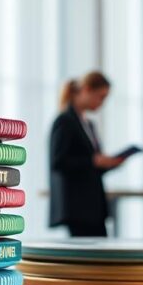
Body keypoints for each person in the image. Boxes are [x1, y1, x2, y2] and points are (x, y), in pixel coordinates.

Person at [49, 71, 125, 237]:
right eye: (101, 97)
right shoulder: (65, 121)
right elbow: (58, 161)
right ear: (87, 90)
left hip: (93, 206)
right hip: (78, 207)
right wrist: (93, 161)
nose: (102, 103)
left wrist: (109, 163)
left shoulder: (88, 124)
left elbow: (92, 164)